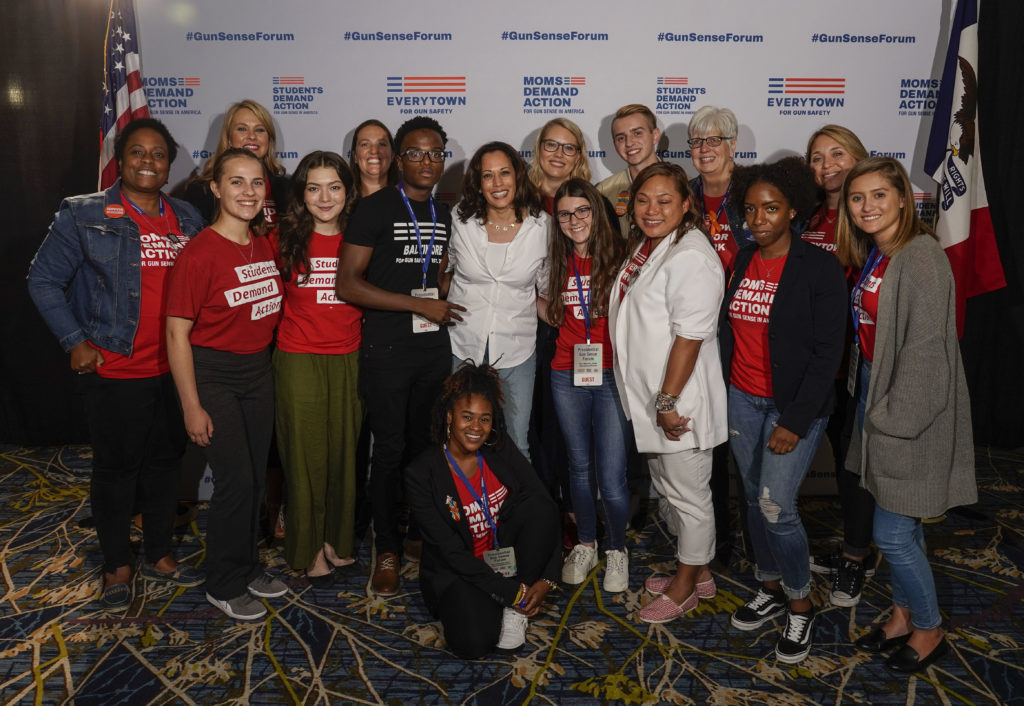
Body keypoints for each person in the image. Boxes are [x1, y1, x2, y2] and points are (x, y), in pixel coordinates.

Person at [27, 118, 206, 611]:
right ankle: (116, 563)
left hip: (174, 369)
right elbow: (42, 280)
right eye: (138, 153)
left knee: (166, 465)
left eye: (158, 154)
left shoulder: (188, 218)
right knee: (115, 470)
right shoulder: (85, 214)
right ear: (121, 159)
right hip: (116, 369)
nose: (148, 161)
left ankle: (159, 551)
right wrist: (74, 341)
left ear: (170, 164)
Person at [836, 157, 976, 673]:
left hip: (910, 407)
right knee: (901, 524)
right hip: (877, 392)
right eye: (857, 198)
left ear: (902, 200)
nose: (867, 206)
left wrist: (893, 420)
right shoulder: (880, 253)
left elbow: (924, 352)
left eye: (878, 195)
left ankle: (930, 626)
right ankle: (901, 615)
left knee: (893, 532)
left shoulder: (920, 257)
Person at [719, 158, 846, 664]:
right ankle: (768, 586)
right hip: (741, 398)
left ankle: (800, 601)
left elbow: (827, 352)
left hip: (793, 408)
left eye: (771, 208)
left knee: (776, 506)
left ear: (793, 209)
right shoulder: (744, 259)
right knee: (752, 499)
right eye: (751, 209)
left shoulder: (819, 268)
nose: (760, 218)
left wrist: (794, 421)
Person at [335, 116, 465, 597]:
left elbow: (436, 273)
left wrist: (443, 293)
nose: (427, 162)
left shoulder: (444, 212)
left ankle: (416, 535)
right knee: (387, 453)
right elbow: (346, 283)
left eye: (436, 154)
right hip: (387, 349)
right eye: (415, 153)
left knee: (425, 448)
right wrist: (418, 303)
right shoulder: (375, 208)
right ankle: (385, 548)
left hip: (433, 348)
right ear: (398, 158)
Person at [166, 147, 289, 621]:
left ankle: (247, 565)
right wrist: (190, 405)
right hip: (214, 374)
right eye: (236, 182)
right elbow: (177, 332)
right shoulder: (199, 253)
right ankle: (222, 581)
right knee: (235, 481)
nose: (248, 192)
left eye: (256, 183)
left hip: (258, 372)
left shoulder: (262, 242)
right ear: (216, 188)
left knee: (255, 478)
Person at [608, 162, 726, 623]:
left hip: (677, 405)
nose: (651, 209)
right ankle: (698, 572)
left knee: (689, 497)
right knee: (672, 491)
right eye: (643, 200)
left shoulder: (692, 256)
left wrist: (666, 402)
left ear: (686, 204)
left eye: (664, 201)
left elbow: (689, 338)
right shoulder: (650, 244)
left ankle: (685, 587)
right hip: (654, 402)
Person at [405, 362, 561, 658]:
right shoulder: (421, 473)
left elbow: (545, 508)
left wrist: (545, 579)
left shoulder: (498, 449)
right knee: (473, 644)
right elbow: (450, 551)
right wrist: (510, 592)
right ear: (450, 417)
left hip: (508, 558)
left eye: (484, 419)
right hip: (460, 570)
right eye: (467, 417)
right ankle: (510, 601)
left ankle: (517, 610)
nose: (476, 428)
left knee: (539, 505)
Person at [271, 151, 362, 587]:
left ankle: (335, 540)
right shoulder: (283, 237)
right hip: (299, 357)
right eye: (313, 187)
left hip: (349, 356)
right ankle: (306, 547)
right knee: (305, 458)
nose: (324, 197)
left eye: (334, 187)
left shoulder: (361, 236)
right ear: (301, 194)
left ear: (349, 191)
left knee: (344, 454)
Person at [541, 179, 630, 592]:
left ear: (596, 211)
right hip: (566, 372)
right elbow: (543, 303)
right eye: (564, 214)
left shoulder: (622, 258)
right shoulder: (556, 260)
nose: (574, 220)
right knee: (578, 468)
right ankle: (587, 543)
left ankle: (617, 549)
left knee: (611, 476)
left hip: (612, 373)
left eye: (582, 211)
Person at [803, 125, 878, 607]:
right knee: (839, 449)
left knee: (854, 464)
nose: (826, 164)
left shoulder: (868, 219)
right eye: (816, 157)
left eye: (837, 154)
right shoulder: (807, 214)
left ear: (857, 158)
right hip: (815, 365)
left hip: (854, 362)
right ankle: (858, 545)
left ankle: (856, 556)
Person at [445, 142, 549, 458]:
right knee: (461, 439)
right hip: (463, 344)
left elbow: (545, 287)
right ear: (478, 183)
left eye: (504, 173)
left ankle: (517, 508)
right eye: (488, 176)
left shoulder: (542, 226)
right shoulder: (460, 220)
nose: (498, 183)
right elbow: (443, 272)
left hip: (516, 349)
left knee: (517, 441)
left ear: (518, 176)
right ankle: (465, 507)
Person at [183, 99, 290, 225]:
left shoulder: (288, 188)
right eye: (242, 129)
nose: (252, 136)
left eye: (260, 130)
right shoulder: (201, 190)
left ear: (269, 139)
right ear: (228, 138)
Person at [596, 104, 661, 235]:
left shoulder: (683, 184)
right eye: (621, 138)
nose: (629, 143)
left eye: (637, 133)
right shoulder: (603, 192)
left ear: (655, 135)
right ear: (614, 145)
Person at [528, 117, 592, 215]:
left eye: (569, 148)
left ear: (578, 156)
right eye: (551, 145)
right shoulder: (519, 198)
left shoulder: (592, 202)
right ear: (538, 149)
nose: (559, 154)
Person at [350, 118, 398, 199]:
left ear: (392, 155)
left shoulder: (407, 200)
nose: (374, 151)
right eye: (365, 144)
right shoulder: (342, 202)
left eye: (381, 144)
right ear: (355, 156)